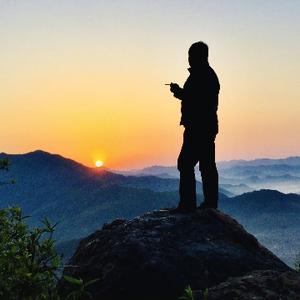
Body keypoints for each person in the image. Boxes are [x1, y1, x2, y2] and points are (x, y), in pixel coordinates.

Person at [169, 41, 220, 212]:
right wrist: (180, 93)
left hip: (199, 127)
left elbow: (197, 101)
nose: (189, 59)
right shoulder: (206, 75)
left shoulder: (203, 76)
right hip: (205, 126)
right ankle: (210, 204)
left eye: (191, 56)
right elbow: (195, 98)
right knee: (206, 165)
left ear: (200, 56)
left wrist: (180, 93)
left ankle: (188, 205)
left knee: (185, 163)